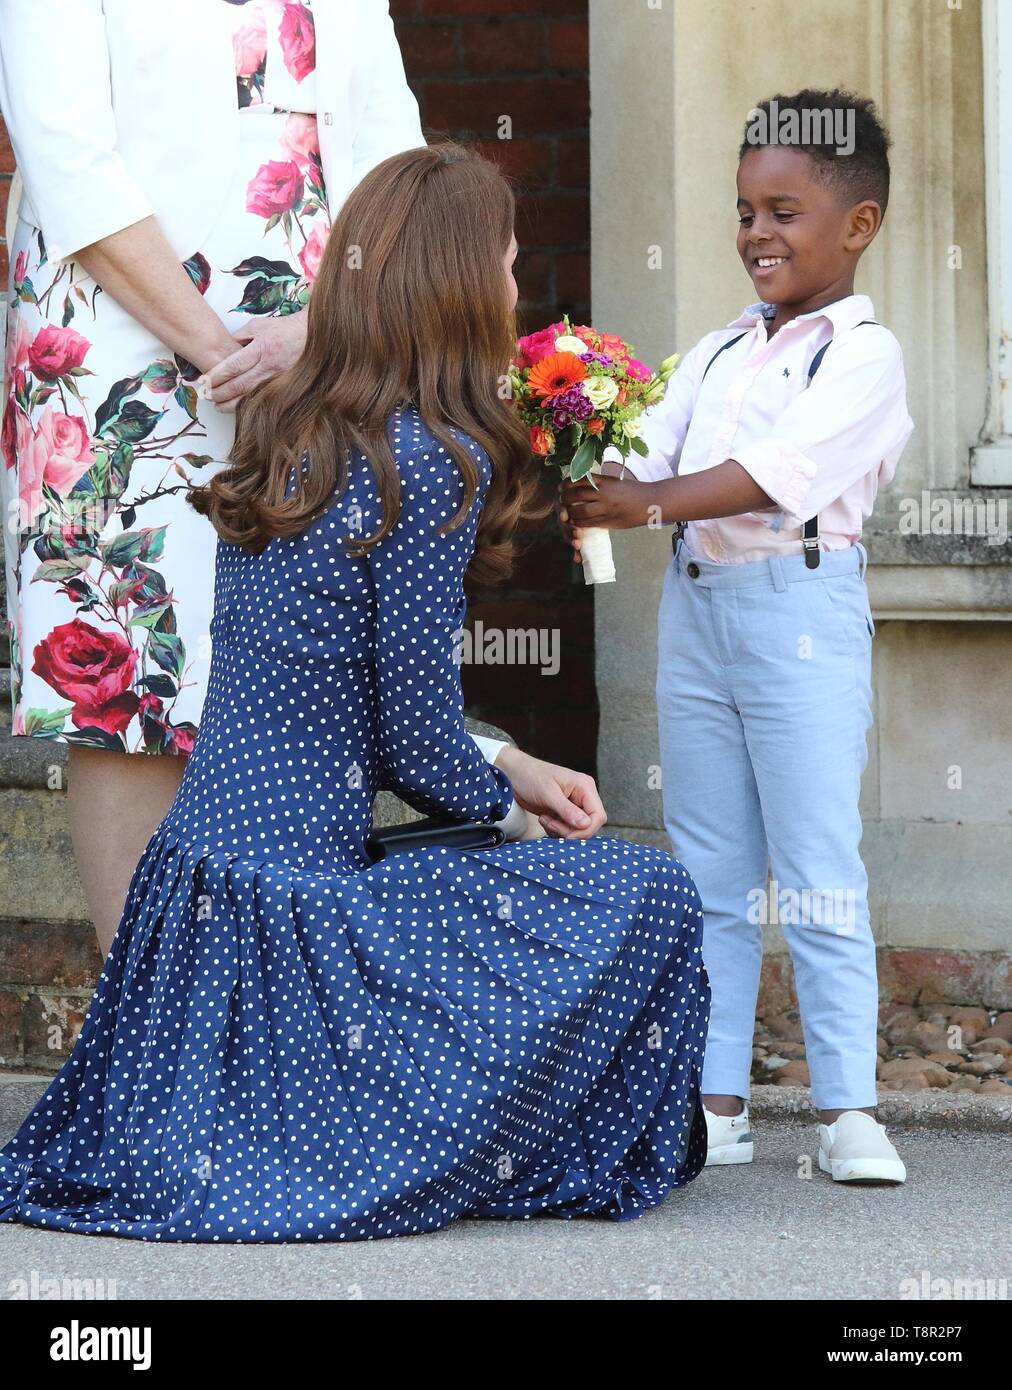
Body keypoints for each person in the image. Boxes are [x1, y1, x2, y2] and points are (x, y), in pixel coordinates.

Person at [0, 145, 710, 1241]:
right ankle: (530, 1145)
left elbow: (342, 698)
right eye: (510, 265)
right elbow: (415, 746)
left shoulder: (296, 430)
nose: (517, 291)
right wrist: (518, 816)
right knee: (643, 890)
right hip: (295, 913)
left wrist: (508, 762)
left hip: (187, 908)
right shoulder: (432, 462)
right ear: (465, 283)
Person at [0, 0, 424, 956]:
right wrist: (218, 351)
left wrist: (319, 339)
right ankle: (147, 1040)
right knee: (132, 685)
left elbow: (402, 174)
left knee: (298, 668)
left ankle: (269, 1033)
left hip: (319, 355)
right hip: (118, 357)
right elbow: (67, 156)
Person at [561, 90, 914, 1183]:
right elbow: (645, 455)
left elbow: (776, 476)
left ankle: (849, 1107)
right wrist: (575, 442)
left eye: (783, 211)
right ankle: (717, 1103)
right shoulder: (715, 352)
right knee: (710, 864)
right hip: (698, 608)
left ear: (854, 226)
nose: (755, 232)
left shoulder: (862, 355)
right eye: (742, 211)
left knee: (815, 862)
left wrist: (647, 505)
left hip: (798, 610)